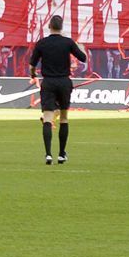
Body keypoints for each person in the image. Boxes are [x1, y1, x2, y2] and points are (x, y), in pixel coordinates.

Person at [27, 14, 87, 165]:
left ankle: (48, 155)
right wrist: (77, 45)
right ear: (62, 27)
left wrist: (34, 74)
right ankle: (61, 154)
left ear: (49, 26)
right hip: (64, 82)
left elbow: (32, 66)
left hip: (48, 82)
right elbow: (83, 58)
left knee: (47, 118)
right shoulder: (67, 42)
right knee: (64, 118)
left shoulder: (42, 43)